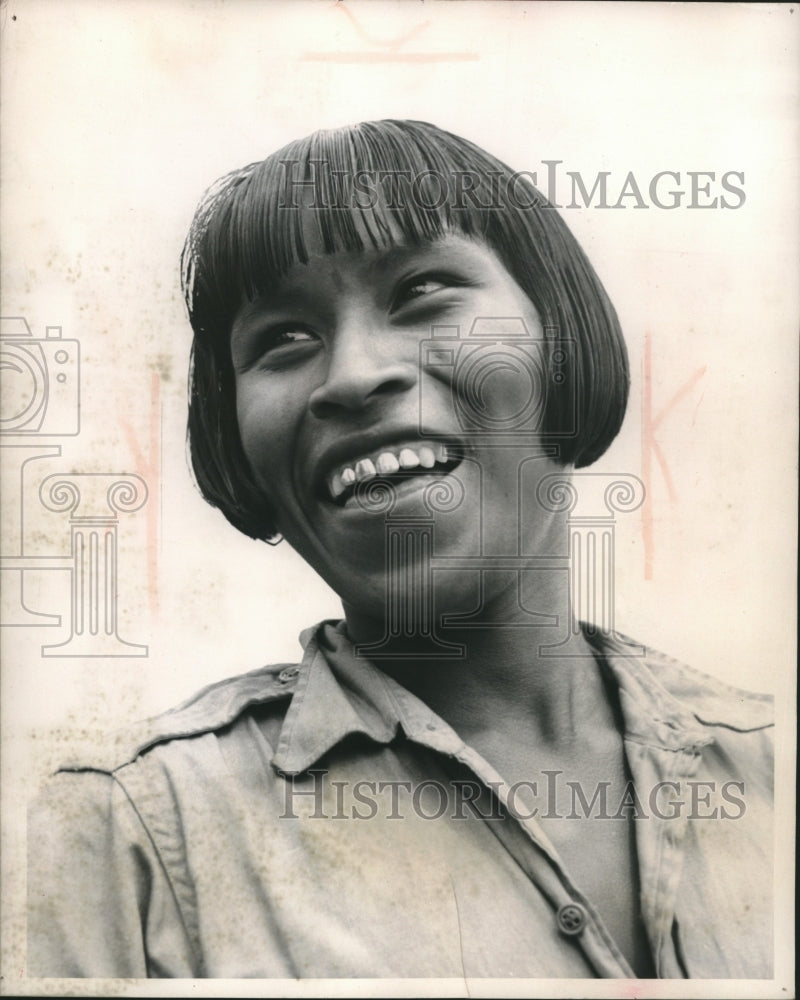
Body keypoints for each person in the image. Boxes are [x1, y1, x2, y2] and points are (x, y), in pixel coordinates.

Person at [28, 120, 773, 980]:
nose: (351, 375)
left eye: (422, 291)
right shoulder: (136, 837)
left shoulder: (769, 763)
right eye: (283, 340)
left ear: (560, 338)